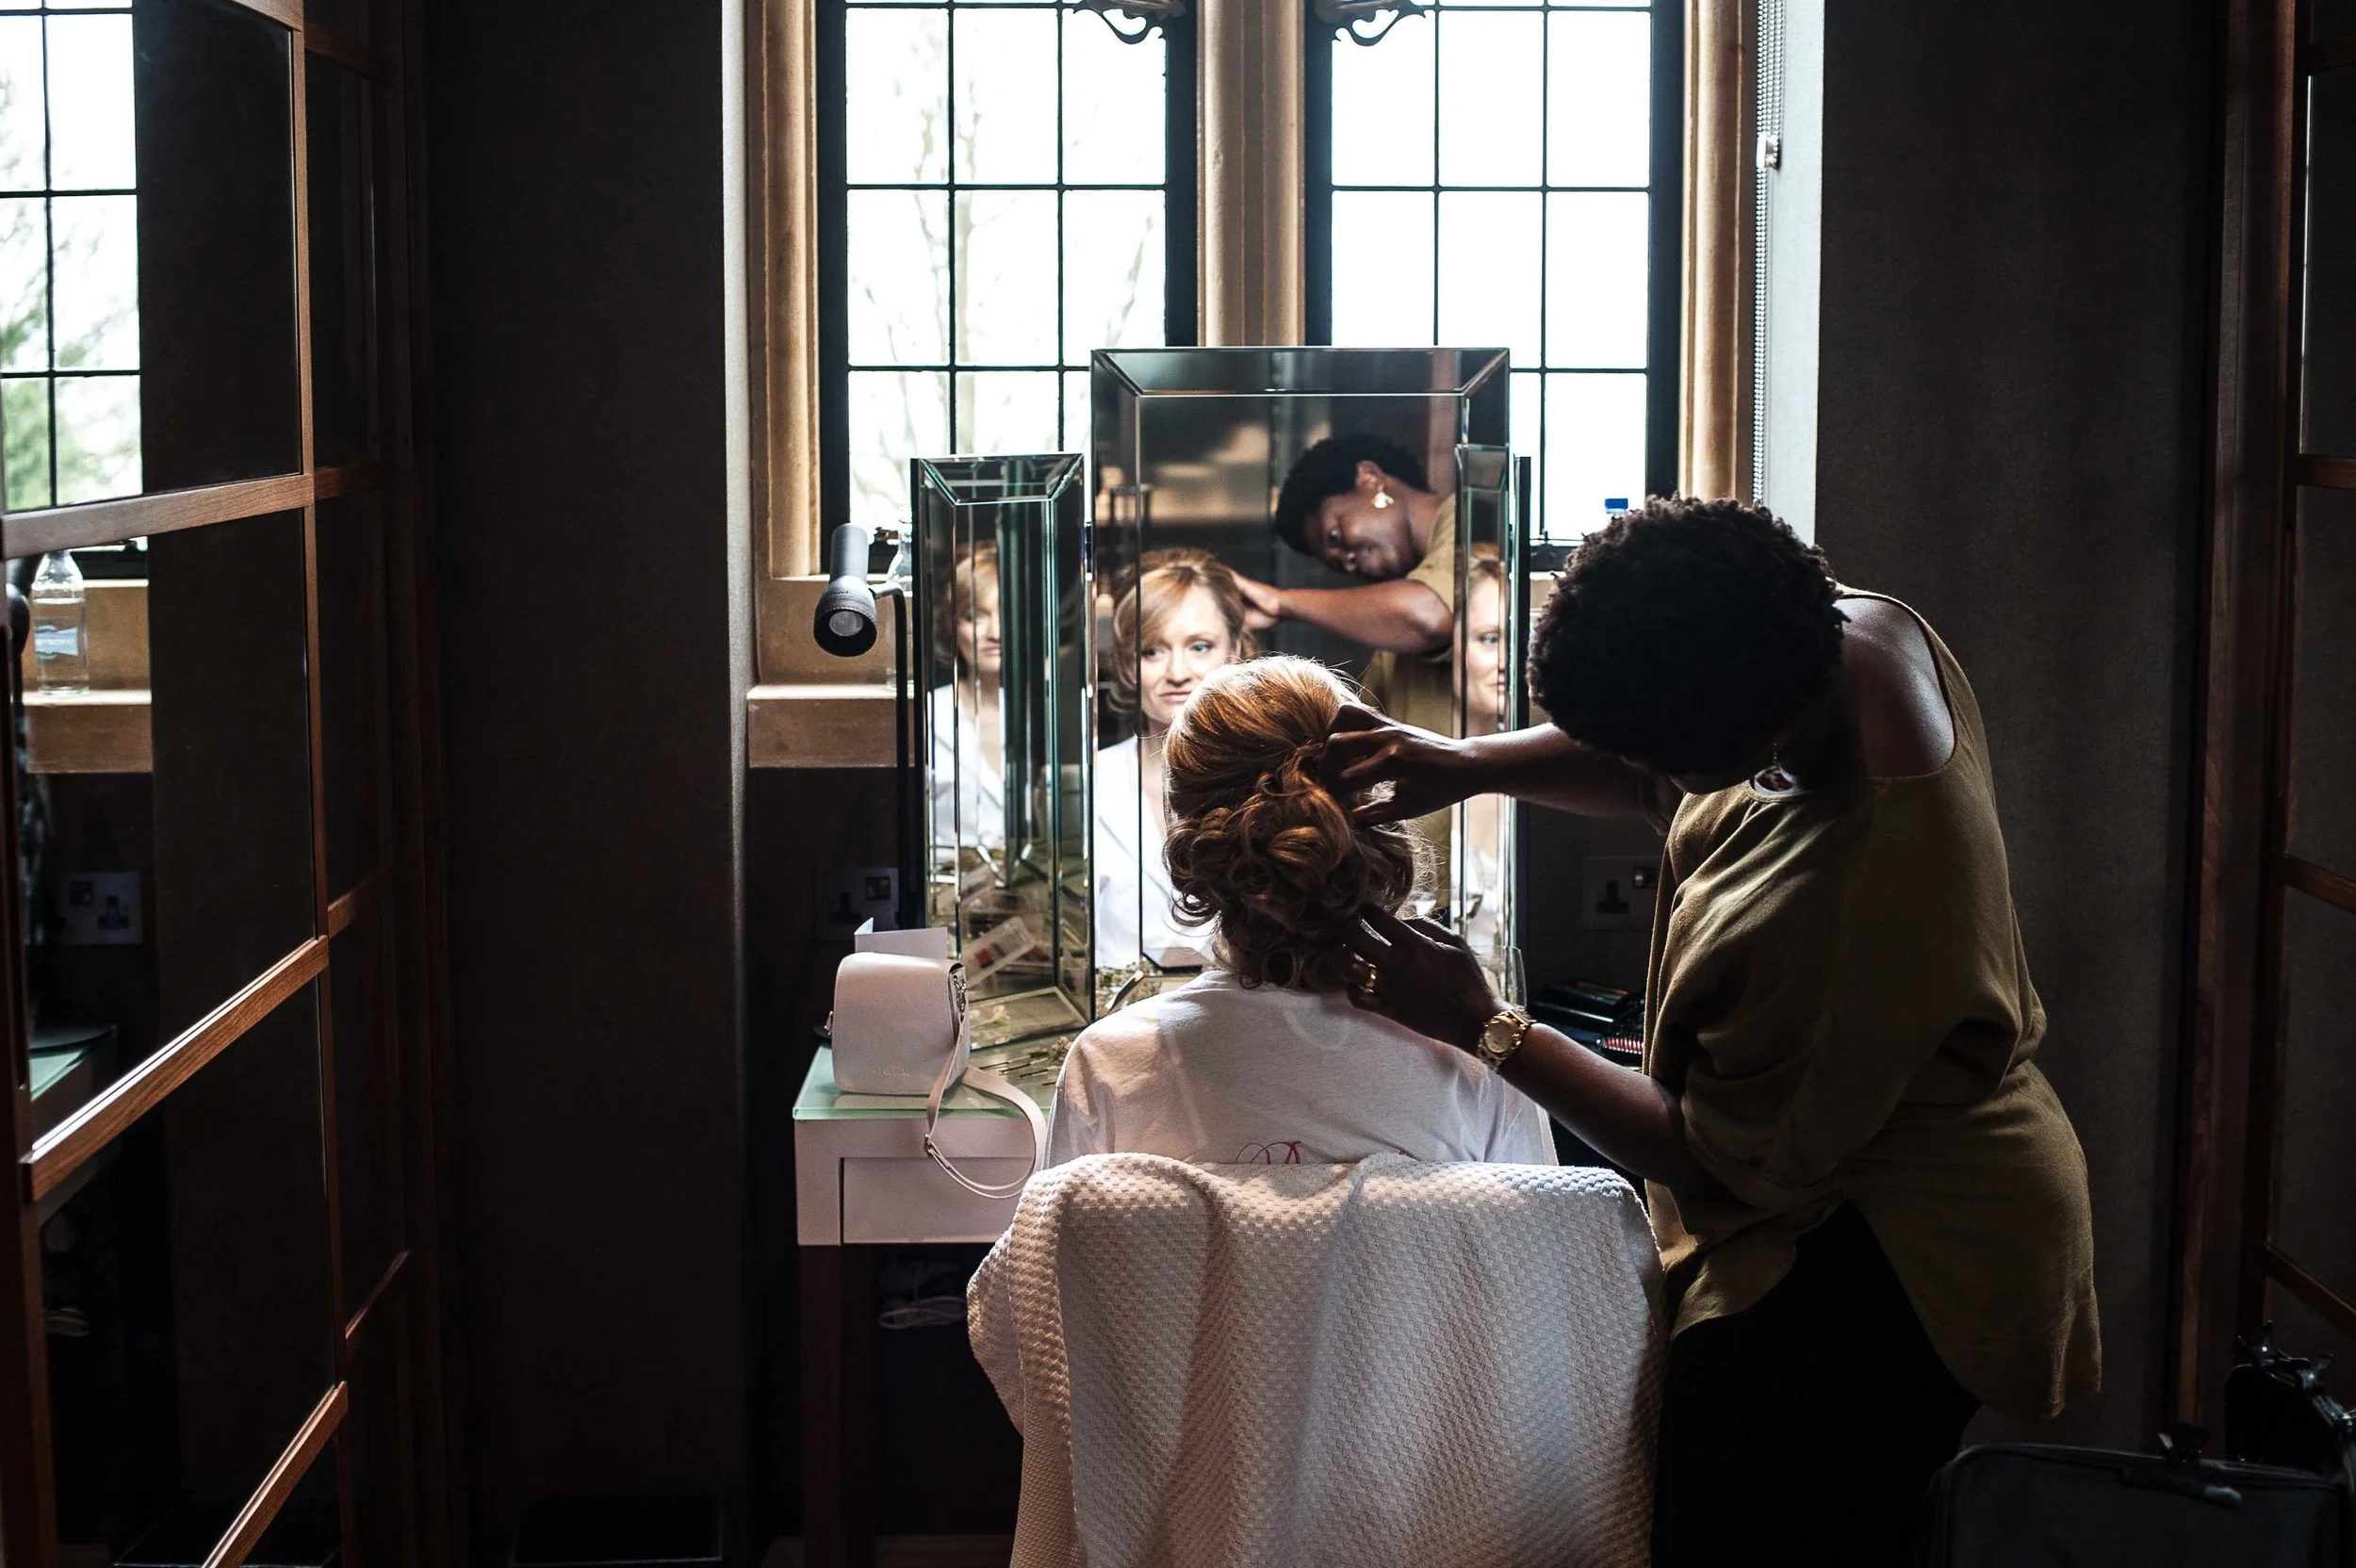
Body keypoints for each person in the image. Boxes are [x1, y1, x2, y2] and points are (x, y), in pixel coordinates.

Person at [1322, 496, 2101, 1568]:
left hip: (1882, 1254)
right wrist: (1471, 763)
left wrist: (1484, 1024)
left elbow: (1718, 1157)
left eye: (1666, 756)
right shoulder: (1845, 635)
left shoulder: (1847, 890)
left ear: (1745, 739)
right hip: (1834, 1170)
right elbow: (1657, 760)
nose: (1650, 777)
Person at [1048, 656, 1553, 1168]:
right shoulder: (1483, 1062)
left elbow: (1062, 1220)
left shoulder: (1108, 1067)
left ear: (1184, 826)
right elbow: (1539, 1218)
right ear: (1374, 810)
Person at [1235, 433, 1461, 737]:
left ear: (1370, 478)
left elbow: (1430, 617)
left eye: (1335, 537)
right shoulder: (1392, 642)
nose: (1348, 562)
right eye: (1337, 564)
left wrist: (1282, 603)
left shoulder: (1476, 519)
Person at [1095, 548, 1255, 969]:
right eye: (1152, 651)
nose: (1178, 672)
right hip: (1121, 1007)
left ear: (1236, 648)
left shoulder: (1276, 781)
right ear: (1125, 664)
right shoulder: (1090, 786)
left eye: (1200, 646)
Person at [929, 543, 1006, 857]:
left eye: (1006, 614)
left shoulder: (1044, 718)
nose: (995, 632)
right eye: (976, 617)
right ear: (952, 625)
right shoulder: (929, 717)